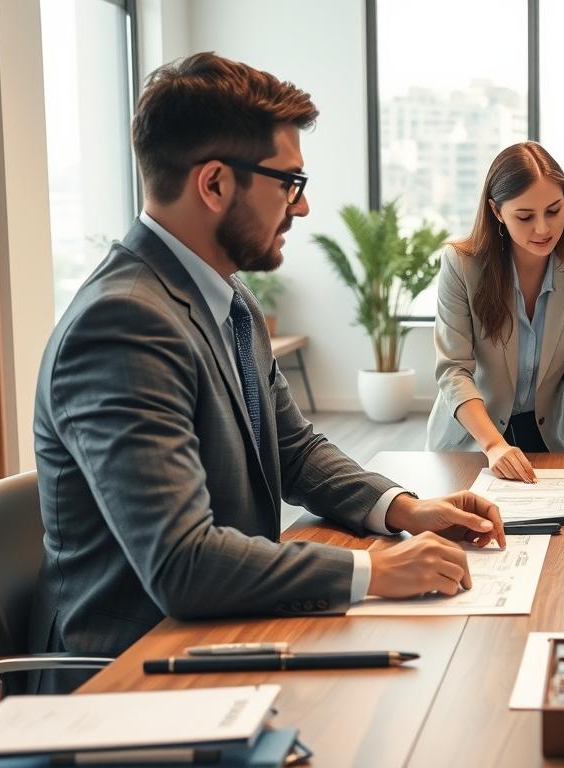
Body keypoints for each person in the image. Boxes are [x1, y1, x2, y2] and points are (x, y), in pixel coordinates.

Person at [31, 53, 504, 693]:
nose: (301, 208)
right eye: (289, 182)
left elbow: (294, 450)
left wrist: (406, 510)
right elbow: (183, 564)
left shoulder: (228, 300)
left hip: (228, 634)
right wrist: (377, 574)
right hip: (136, 675)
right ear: (215, 184)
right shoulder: (122, 324)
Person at [426, 142, 564, 481]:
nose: (543, 229)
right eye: (525, 216)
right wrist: (495, 445)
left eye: (554, 211)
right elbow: (454, 370)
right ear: (497, 211)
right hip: (473, 440)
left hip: (549, 437)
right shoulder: (461, 264)